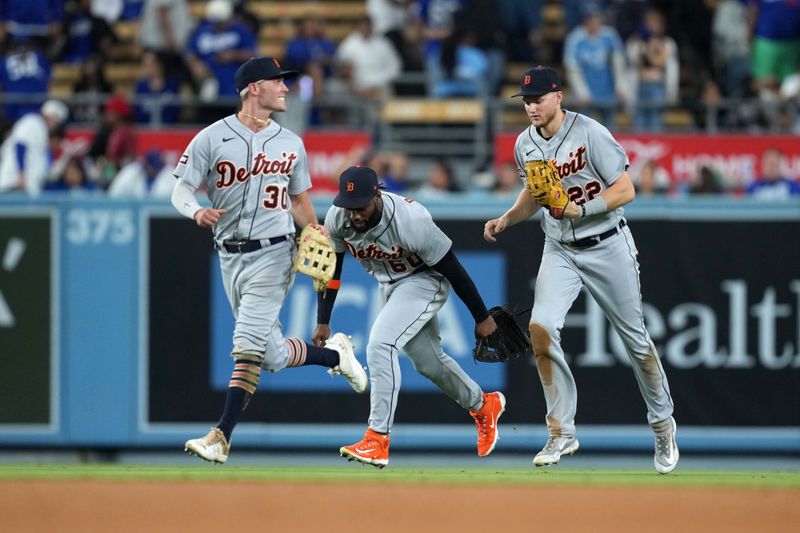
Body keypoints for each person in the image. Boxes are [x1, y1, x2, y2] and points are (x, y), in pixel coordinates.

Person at [483, 66, 679, 474]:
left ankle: (662, 425)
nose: (532, 106)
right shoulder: (524, 144)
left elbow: (626, 189)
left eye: (538, 98)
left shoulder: (590, 132)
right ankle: (561, 430)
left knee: (637, 343)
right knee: (540, 326)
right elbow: (535, 196)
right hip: (560, 248)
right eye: (526, 101)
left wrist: (582, 209)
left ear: (559, 96)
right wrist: (506, 218)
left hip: (608, 243)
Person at [171, 57, 367, 464]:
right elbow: (181, 190)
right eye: (277, 82)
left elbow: (298, 201)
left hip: (275, 253)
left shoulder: (291, 142)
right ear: (252, 88)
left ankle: (220, 436)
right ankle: (336, 356)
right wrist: (195, 212)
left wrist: (316, 234)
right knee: (271, 355)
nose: (285, 88)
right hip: (229, 256)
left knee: (246, 346)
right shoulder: (211, 138)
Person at [314, 165, 506, 468]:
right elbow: (333, 270)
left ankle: (377, 438)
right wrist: (323, 318)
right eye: (348, 207)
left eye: (360, 206)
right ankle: (484, 404)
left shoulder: (410, 220)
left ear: (377, 195)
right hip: (389, 285)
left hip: (425, 279)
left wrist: (480, 316)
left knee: (381, 345)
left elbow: (454, 269)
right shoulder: (339, 218)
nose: (354, 214)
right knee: (428, 363)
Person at [0, 99, 69, 195]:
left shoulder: (41, 129)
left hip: (27, 186)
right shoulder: (32, 122)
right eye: (56, 121)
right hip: (15, 183)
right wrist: (21, 174)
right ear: (50, 116)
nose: (56, 125)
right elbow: (20, 146)